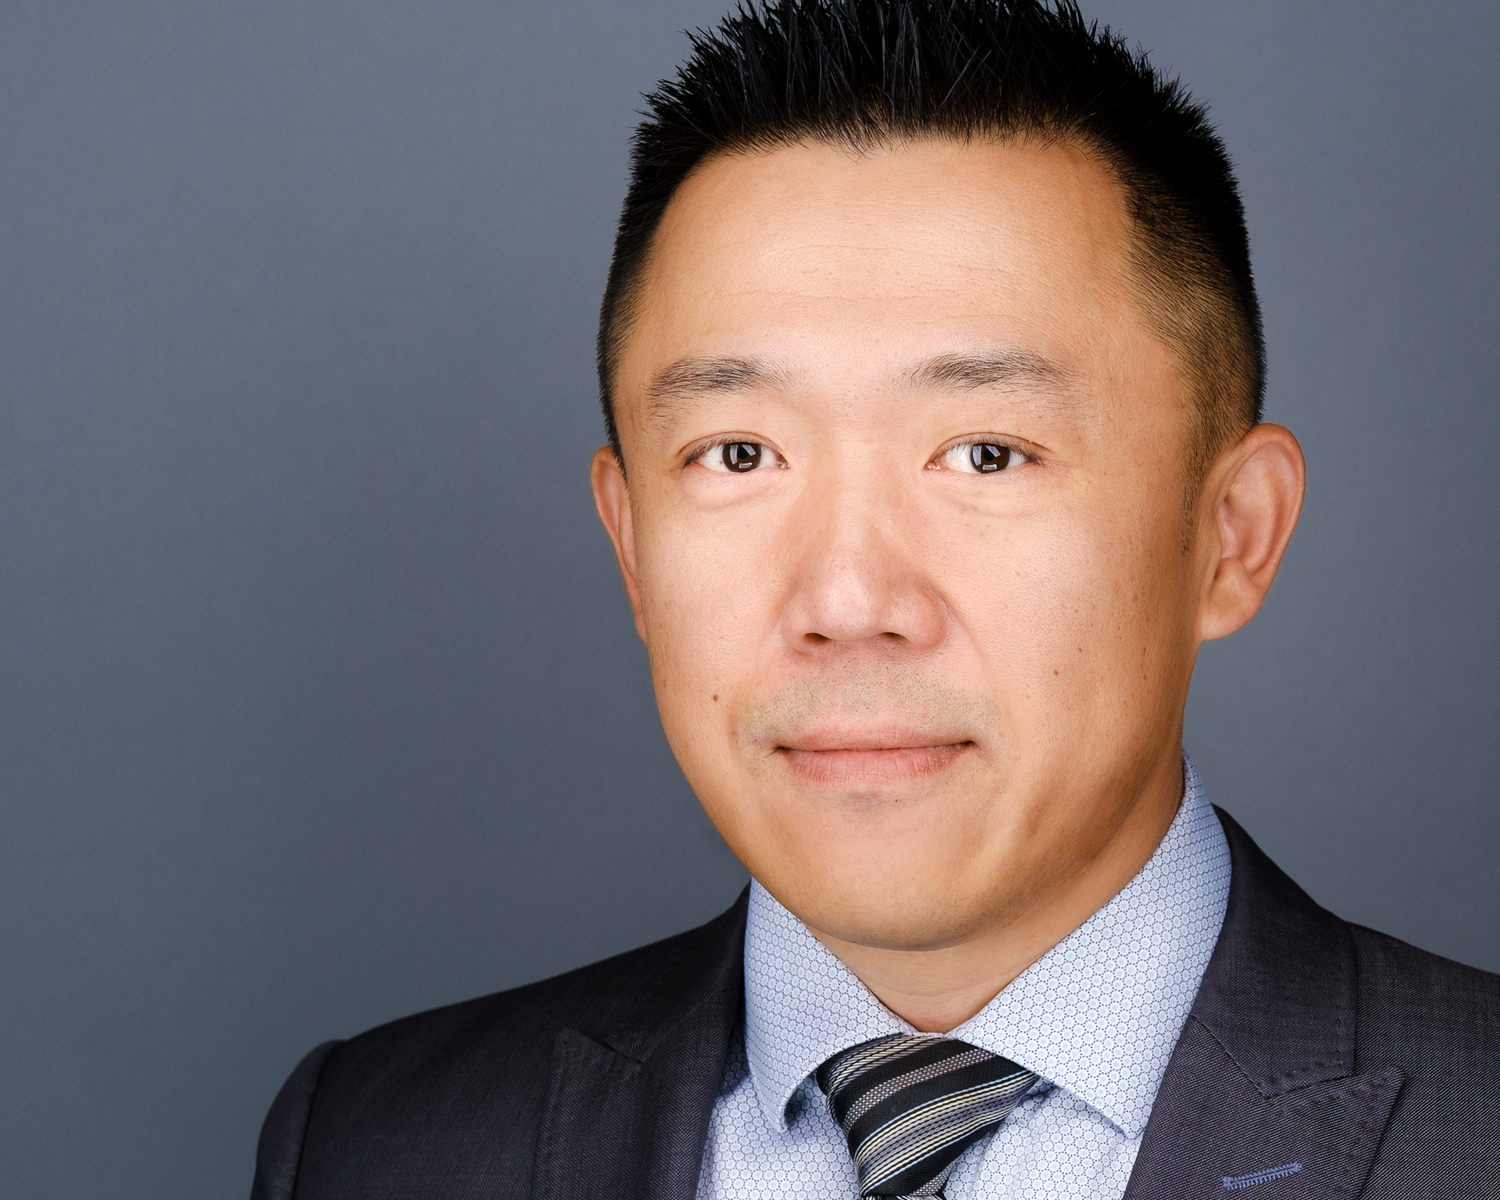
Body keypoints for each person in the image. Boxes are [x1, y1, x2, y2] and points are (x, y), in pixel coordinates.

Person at [250, 2, 1500, 1197]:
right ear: (630, 547)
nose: (848, 601)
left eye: (987, 454)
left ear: (1232, 537)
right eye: (739, 454)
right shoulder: (377, 1144)